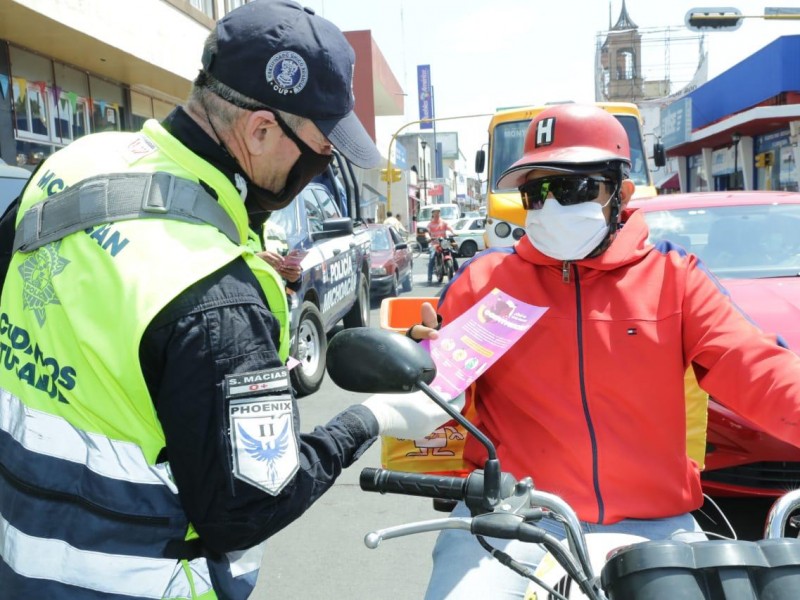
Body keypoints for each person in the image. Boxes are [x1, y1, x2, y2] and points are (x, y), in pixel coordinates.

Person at [0, 2, 455, 597]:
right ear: (261, 129)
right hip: (133, 579)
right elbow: (245, 509)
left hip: (20, 554)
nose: (320, 170)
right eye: (320, 150)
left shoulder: (70, 165)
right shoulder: (216, 292)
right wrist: (374, 417)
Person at [406, 104, 800, 599]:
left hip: (656, 526)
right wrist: (416, 368)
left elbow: (755, 367)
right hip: (512, 516)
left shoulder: (674, 281)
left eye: (572, 188)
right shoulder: (483, 282)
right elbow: (437, 399)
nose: (551, 207)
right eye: (537, 191)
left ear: (622, 193)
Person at [426, 207, 457, 284]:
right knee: (432, 257)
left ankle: (458, 274)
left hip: (443, 243)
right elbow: (427, 232)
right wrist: (428, 237)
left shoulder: (444, 222)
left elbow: (450, 228)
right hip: (434, 244)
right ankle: (429, 277)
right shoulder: (430, 224)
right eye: (435, 212)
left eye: (438, 212)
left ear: (440, 213)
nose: (436, 214)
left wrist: (453, 232)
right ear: (432, 214)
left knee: (453, 254)